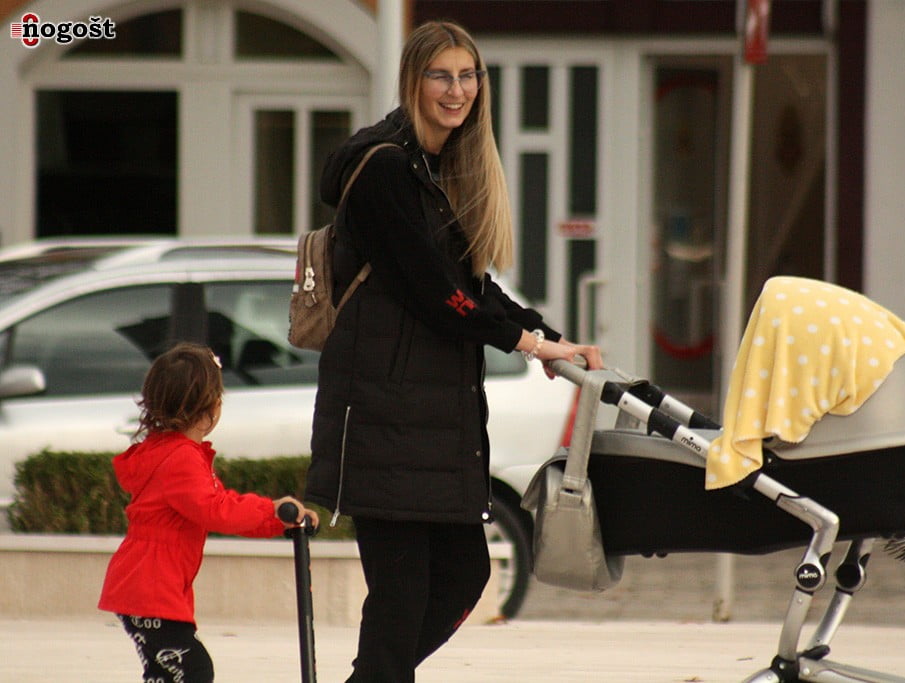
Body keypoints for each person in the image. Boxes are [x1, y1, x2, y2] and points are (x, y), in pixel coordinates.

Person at [305, 19, 603, 682]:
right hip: (384, 415)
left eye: (467, 76)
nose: (456, 90)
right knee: (401, 598)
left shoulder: (437, 168)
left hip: (433, 421)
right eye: (441, 75)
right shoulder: (385, 170)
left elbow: (472, 285)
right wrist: (526, 342)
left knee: (465, 572)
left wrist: (547, 339)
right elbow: (436, 294)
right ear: (413, 81)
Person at [98, 341, 318, 683]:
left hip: (148, 589)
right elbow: (217, 510)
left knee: (170, 674)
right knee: (194, 670)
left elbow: (219, 506)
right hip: (150, 591)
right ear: (212, 408)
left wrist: (275, 522)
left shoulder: (169, 452)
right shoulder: (180, 459)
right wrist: (272, 511)